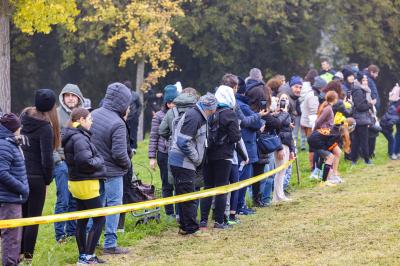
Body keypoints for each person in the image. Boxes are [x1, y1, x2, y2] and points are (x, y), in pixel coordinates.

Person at [90, 83, 132, 254]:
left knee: (96, 206)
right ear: (122, 102)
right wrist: (128, 165)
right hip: (113, 173)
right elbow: (119, 154)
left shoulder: (92, 114)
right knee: (114, 206)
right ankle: (110, 244)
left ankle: (92, 240)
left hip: (93, 170)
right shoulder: (118, 123)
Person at [169, 93, 218, 236]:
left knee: (183, 195)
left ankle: (185, 227)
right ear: (211, 108)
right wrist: (196, 158)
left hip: (181, 162)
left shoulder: (197, 115)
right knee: (188, 196)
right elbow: (183, 141)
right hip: (183, 162)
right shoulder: (195, 116)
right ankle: (192, 228)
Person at [62, 108, 106, 264]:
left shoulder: (72, 134)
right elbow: (85, 162)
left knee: (82, 220)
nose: (92, 121)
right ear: (81, 120)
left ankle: (83, 256)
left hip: (76, 183)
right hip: (86, 184)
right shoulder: (79, 138)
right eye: (90, 118)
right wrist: (100, 162)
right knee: (99, 219)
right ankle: (88, 255)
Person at [21, 89, 59, 260]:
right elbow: (47, 159)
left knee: (20, 217)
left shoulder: (24, 118)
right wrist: (48, 178)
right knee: (33, 219)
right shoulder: (45, 128)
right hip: (36, 179)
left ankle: (16, 253)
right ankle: (27, 256)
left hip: (19, 175)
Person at [200, 82, 241, 229]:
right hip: (224, 155)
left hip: (207, 154)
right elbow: (235, 137)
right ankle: (219, 221)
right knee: (221, 188)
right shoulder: (230, 114)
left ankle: (203, 220)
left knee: (208, 187)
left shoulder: (208, 112)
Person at [54, 83, 84, 243]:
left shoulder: (82, 114)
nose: (71, 98)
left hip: (78, 164)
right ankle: (60, 235)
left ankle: (72, 232)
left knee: (75, 199)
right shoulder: (56, 114)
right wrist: (58, 161)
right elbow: (50, 140)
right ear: (63, 97)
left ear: (78, 97)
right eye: (67, 95)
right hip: (62, 164)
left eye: (73, 95)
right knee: (63, 200)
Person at [0, 114, 29, 266]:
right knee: (11, 238)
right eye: (19, 126)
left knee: (12, 237)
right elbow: (1, 173)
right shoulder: (4, 145)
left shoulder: (9, 142)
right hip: (9, 199)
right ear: (14, 128)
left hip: (11, 197)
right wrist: (21, 187)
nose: (21, 129)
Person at [236, 78, 266, 212]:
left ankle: (240, 205)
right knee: (244, 177)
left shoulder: (240, 104)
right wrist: (259, 117)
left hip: (247, 144)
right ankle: (240, 205)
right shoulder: (242, 106)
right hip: (246, 145)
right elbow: (254, 123)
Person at [148, 85, 178, 218]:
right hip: (163, 154)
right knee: (167, 183)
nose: (172, 105)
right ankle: (169, 212)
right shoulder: (158, 117)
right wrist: (152, 157)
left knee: (178, 183)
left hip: (177, 153)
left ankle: (179, 211)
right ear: (166, 102)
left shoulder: (181, 114)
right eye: (169, 102)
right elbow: (154, 137)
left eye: (174, 102)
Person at [308, 118, 354, 184]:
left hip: (318, 137)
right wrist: (324, 158)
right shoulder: (337, 135)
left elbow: (329, 142)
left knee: (338, 152)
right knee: (330, 157)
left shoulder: (338, 126)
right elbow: (328, 146)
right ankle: (325, 180)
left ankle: (334, 174)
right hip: (316, 140)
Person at [273, 93, 295, 202]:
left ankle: (279, 195)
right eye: (282, 99)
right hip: (280, 145)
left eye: (286, 98)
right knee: (280, 170)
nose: (284, 101)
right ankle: (278, 197)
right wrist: (279, 148)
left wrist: (292, 150)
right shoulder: (276, 115)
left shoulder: (288, 115)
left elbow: (290, 134)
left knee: (283, 171)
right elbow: (277, 129)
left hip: (287, 144)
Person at [301, 76, 327, 170]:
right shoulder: (313, 95)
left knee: (313, 146)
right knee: (313, 146)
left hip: (310, 122)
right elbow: (314, 111)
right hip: (310, 124)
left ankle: (314, 166)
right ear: (320, 87)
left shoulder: (315, 93)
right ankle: (312, 167)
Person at [351, 74, 373, 165]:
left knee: (356, 140)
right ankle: (367, 160)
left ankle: (354, 160)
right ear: (360, 81)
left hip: (359, 118)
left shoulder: (359, 90)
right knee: (362, 140)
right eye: (364, 80)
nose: (366, 82)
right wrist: (369, 105)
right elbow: (360, 106)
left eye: (366, 80)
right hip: (360, 118)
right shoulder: (358, 91)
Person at [124, 81, 142, 152]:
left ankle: (134, 147)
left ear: (130, 88)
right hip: (125, 117)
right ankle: (126, 147)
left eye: (128, 88)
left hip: (134, 117)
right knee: (125, 132)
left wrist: (137, 114)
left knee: (134, 132)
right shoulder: (122, 95)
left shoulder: (135, 95)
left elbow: (140, 105)